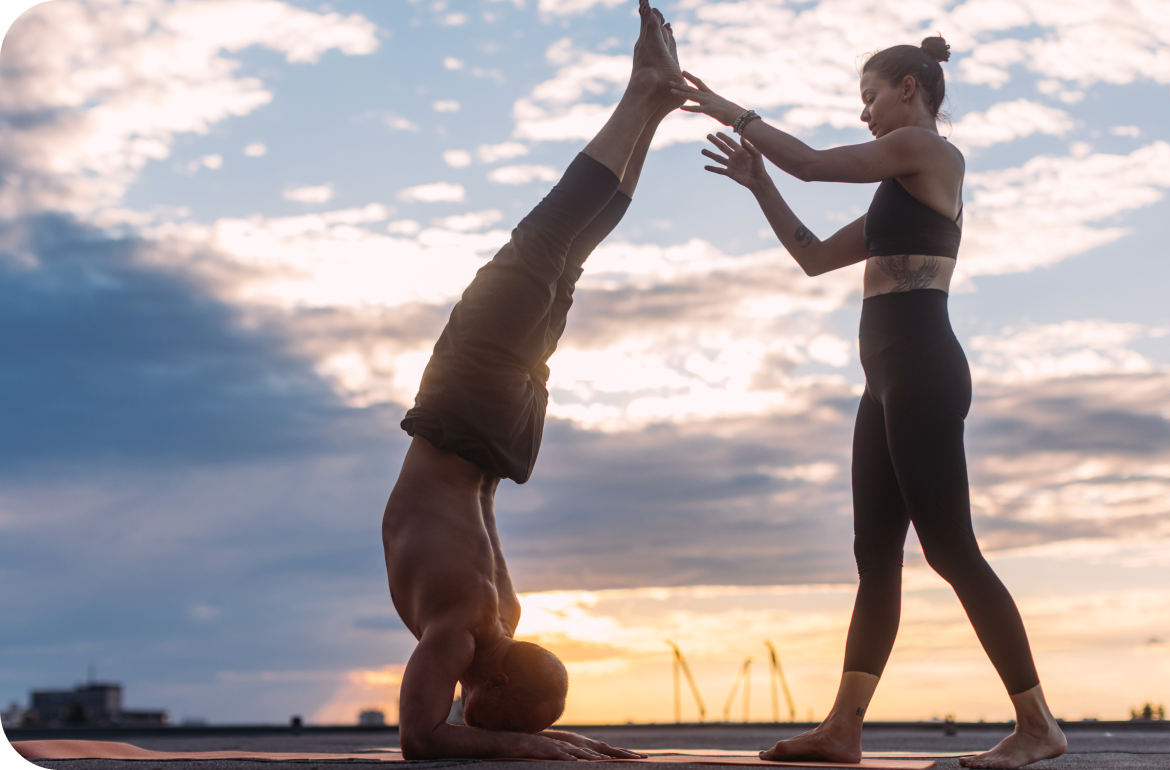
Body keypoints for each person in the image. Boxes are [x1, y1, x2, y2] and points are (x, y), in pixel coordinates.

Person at [671, 37, 1068, 770]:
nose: (866, 113)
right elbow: (814, 256)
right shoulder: (898, 194)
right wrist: (760, 184)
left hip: (921, 369)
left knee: (950, 549)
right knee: (875, 556)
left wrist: (724, 106)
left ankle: (1037, 724)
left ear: (910, 88)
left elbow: (817, 164)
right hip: (885, 380)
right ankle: (844, 729)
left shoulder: (930, 153)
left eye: (871, 96)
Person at [381, 1, 684, 760]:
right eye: (504, 723)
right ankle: (647, 98)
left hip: (493, 434)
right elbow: (429, 738)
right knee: (554, 244)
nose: (473, 718)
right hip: (472, 422)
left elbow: (431, 736)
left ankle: (649, 98)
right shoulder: (465, 629)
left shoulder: (491, 621)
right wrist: (549, 750)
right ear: (500, 687)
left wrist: (562, 746)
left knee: (560, 249)